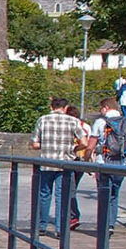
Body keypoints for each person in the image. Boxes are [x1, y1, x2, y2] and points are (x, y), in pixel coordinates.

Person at [86, 96, 126, 234]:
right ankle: (111, 224)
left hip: (103, 163)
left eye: (101, 108)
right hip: (120, 164)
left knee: (103, 194)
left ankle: (103, 224)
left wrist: (86, 161)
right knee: (114, 195)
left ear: (106, 108)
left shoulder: (100, 122)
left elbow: (90, 146)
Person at [30, 97, 86, 237]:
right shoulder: (73, 121)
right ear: (65, 108)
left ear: (51, 106)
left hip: (47, 163)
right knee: (62, 196)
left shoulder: (42, 119)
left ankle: (42, 227)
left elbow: (35, 144)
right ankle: (60, 229)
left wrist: (47, 145)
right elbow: (84, 142)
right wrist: (73, 148)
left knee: (44, 195)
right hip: (65, 163)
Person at [65, 104, 89, 230]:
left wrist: (75, 149)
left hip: (73, 159)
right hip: (83, 162)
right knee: (72, 188)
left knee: (70, 189)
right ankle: (71, 215)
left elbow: (84, 144)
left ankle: (73, 216)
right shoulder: (86, 126)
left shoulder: (70, 126)